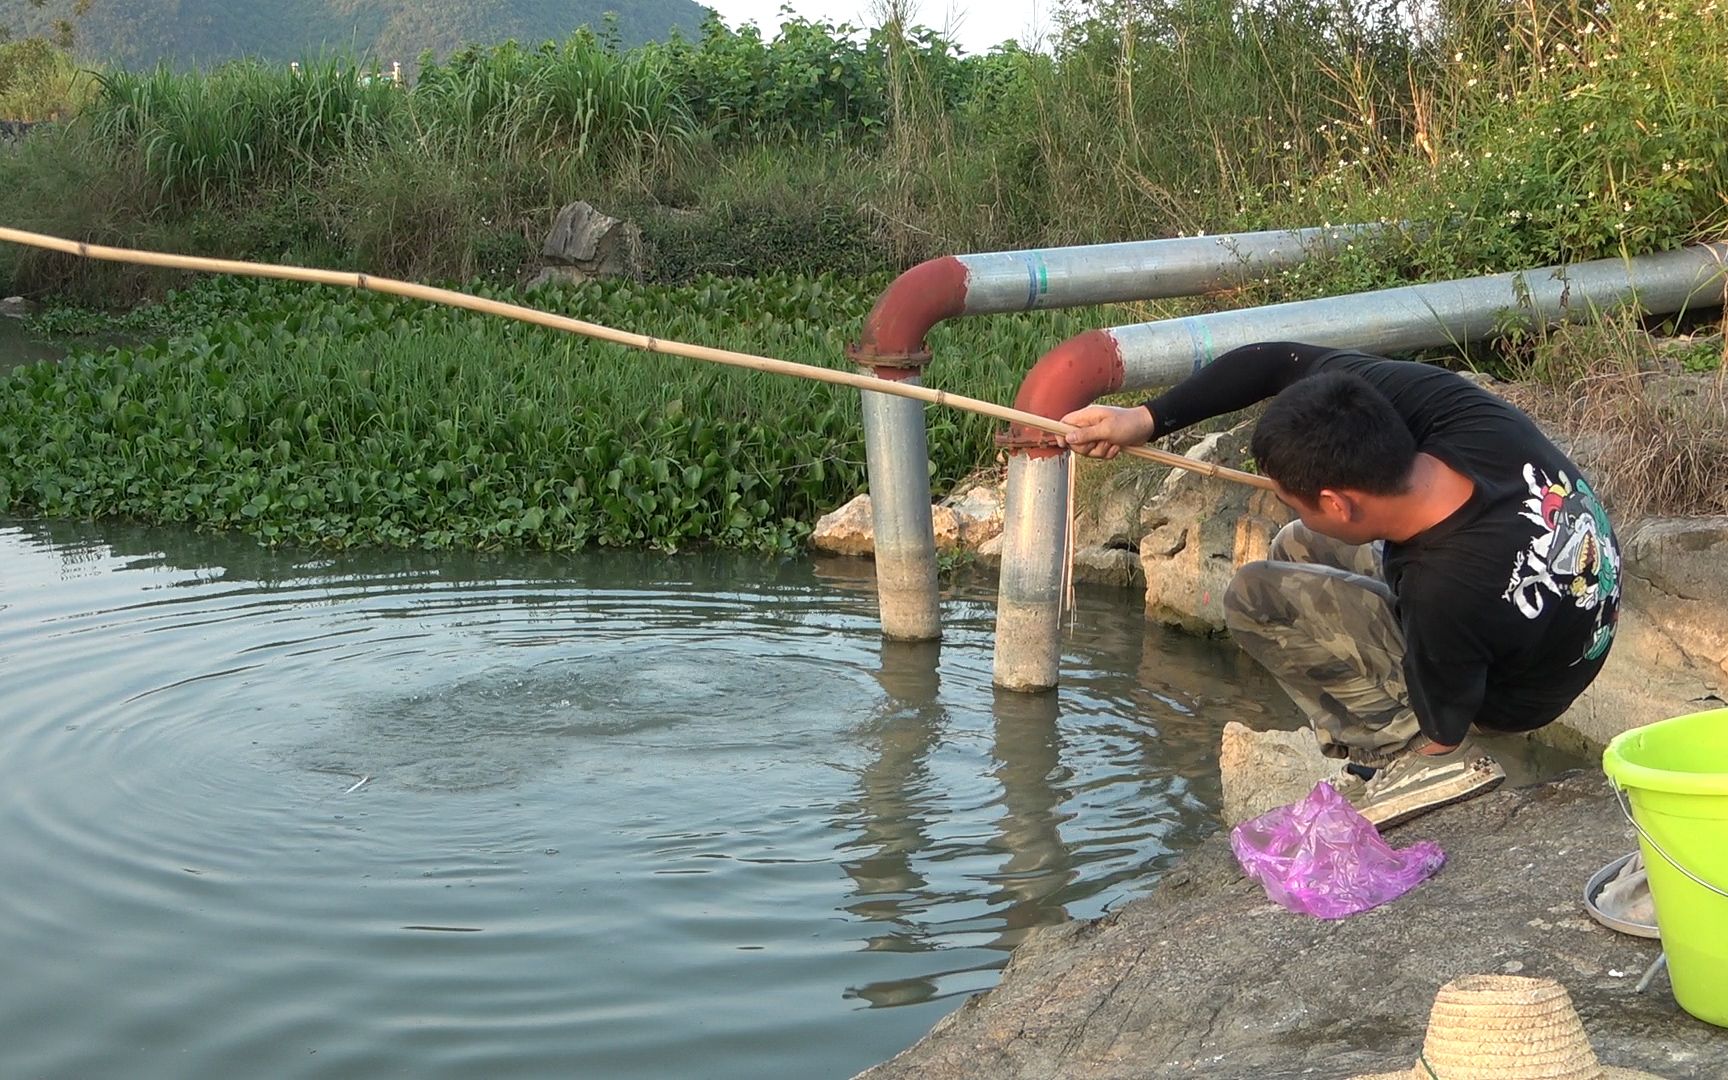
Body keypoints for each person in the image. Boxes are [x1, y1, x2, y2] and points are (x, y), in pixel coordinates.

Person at [1060, 342, 1622, 828]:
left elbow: (1449, 705)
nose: (1282, 501)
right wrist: (1146, 417)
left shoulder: (1443, 590)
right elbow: (1276, 361)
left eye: (1289, 494)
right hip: (1575, 610)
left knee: (1258, 597)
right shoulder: (1446, 406)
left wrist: (1437, 739)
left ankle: (1407, 755)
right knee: (1297, 548)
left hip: (1521, 689)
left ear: (1337, 501)